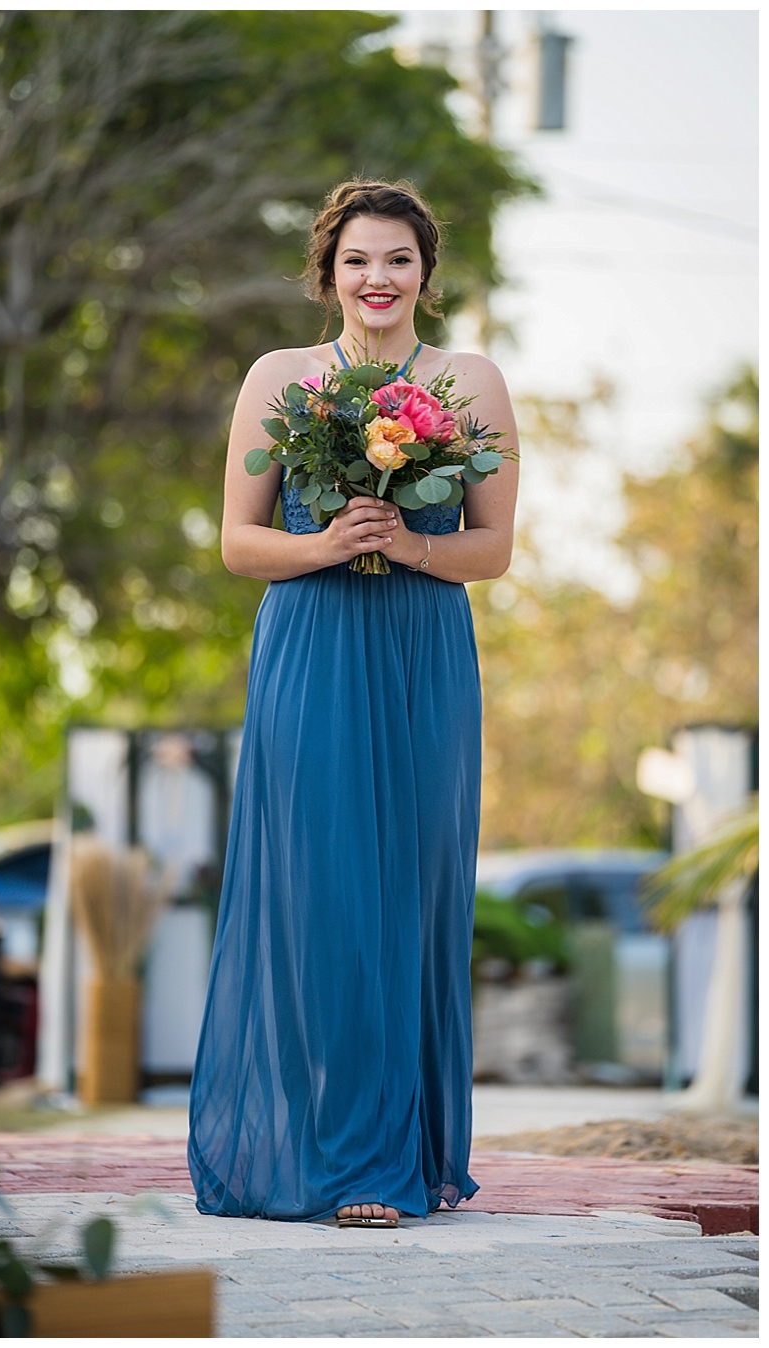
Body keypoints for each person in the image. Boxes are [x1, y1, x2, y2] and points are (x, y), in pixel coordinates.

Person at [186, 180, 519, 1229]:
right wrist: (327, 544)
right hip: (311, 643)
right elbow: (239, 541)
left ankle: (393, 1158)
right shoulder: (279, 378)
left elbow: (495, 548)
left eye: (399, 261)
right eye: (359, 262)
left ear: (427, 270)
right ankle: (323, 1149)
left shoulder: (469, 380)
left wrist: (409, 543)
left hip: (422, 647)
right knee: (318, 894)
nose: (379, 281)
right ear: (327, 273)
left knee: (407, 895)